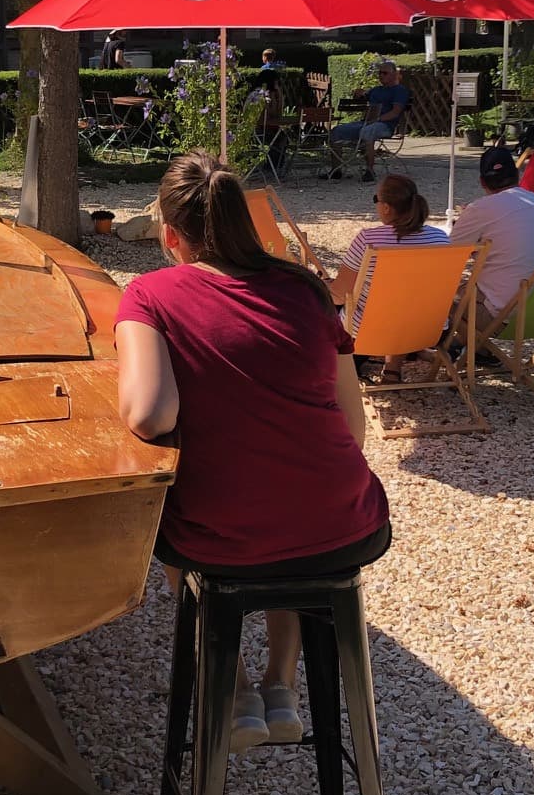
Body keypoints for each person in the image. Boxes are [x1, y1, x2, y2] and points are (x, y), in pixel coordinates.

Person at [116, 152, 391, 753]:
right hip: (346, 526)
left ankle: (236, 688)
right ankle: (281, 685)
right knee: (287, 515)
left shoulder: (150, 295)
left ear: (170, 234)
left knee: (174, 526)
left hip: (225, 543)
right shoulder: (306, 290)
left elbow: (147, 414)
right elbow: (354, 425)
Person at [328, 173, 448, 381]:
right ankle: (392, 367)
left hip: (370, 332)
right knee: (405, 300)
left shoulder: (369, 240)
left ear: (386, 207)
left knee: (328, 301)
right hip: (426, 330)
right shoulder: (440, 239)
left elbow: (340, 294)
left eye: (376, 200)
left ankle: (339, 368)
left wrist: (318, 287)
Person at [449, 147, 534, 336]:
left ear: (482, 181)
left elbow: (447, 255)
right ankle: (477, 350)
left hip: (504, 318)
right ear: (517, 175)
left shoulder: (481, 209)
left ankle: (476, 348)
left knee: (432, 292)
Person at [327, 60, 412, 181]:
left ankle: (370, 171)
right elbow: (362, 96)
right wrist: (358, 94)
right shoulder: (376, 90)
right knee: (336, 131)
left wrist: (377, 119)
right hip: (366, 122)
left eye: (385, 73)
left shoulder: (399, 90)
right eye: (379, 73)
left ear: (394, 74)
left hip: (385, 125)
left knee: (367, 132)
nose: (381, 75)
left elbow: (395, 112)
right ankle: (336, 170)